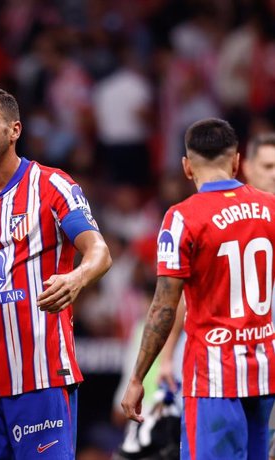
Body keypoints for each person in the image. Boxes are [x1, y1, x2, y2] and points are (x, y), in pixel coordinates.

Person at [0, 85, 112, 459]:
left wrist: (76, 278)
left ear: (15, 130)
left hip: (42, 379)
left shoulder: (51, 185)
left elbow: (99, 251)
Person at [121, 118, 275, 459]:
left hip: (212, 378)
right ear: (237, 162)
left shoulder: (182, 218)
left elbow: (164, 306)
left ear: (187, 167)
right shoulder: (270, 208)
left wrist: (137, 379)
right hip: (264, 374)